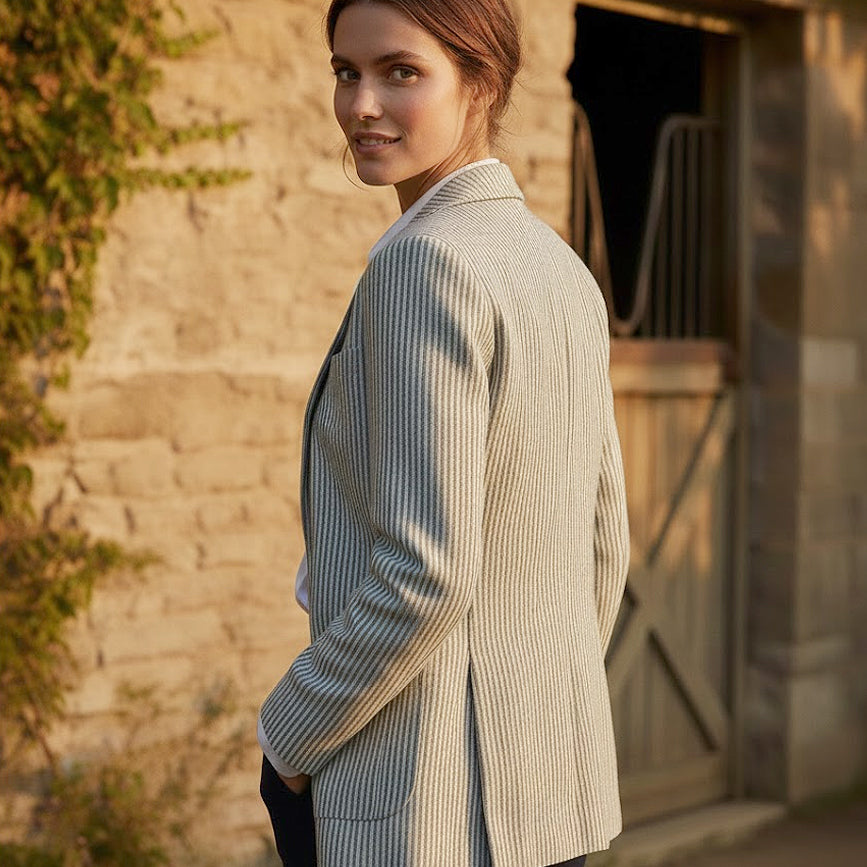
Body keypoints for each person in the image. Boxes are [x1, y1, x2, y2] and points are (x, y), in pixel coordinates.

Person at [257, 0, 630, 865]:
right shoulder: (559, 268)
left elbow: (426, 571)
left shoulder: (426, 265)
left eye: (401, 72)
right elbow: (604, 544)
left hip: (423, 807)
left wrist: (290, 730)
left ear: (480, 85)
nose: (361, 105)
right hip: (549, 801)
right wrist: (534, 716)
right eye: (345, 72)